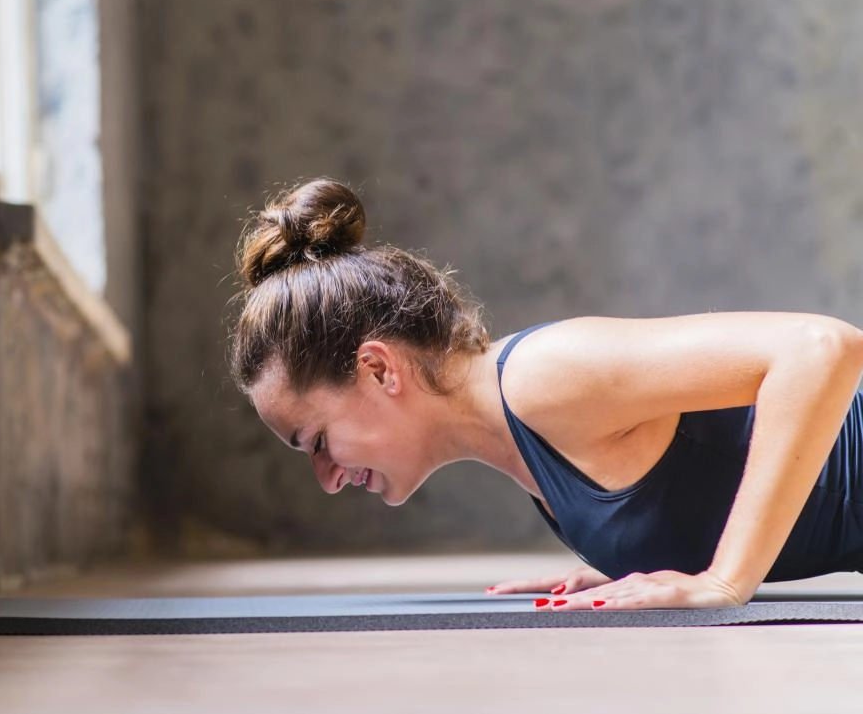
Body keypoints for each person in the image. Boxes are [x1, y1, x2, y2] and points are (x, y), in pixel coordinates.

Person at [229, 177, 863, 611]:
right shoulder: (523, 443)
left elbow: (820, 349)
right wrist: (639, 556)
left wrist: (726, 579)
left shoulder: (542, 375)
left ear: (377, 370)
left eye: (316, 441)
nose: (327, 477)